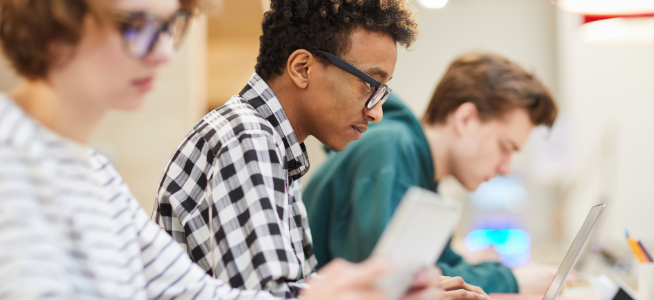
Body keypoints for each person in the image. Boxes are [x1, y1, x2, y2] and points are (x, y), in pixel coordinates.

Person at [0, 0, 440, 299]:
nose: (164, 54)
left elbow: (203, 294)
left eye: (172, 27)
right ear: (54, 24)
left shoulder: (95, 176)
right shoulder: (12, 157)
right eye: (135, 27)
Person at [151, 0, 491, 299]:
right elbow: (272, 296)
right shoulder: (248, 136)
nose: (377, 112)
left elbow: (296, 287)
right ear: (303, 68)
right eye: (370, 85)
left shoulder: (274, 144)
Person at [303, 52, 566, 295]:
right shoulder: (389, 149)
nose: (506, 167)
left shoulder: (421, 174)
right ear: (465, 119)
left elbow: (441, 266)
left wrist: (508, 275)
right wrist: (513, 280)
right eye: (505, 148)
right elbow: (390, 285)